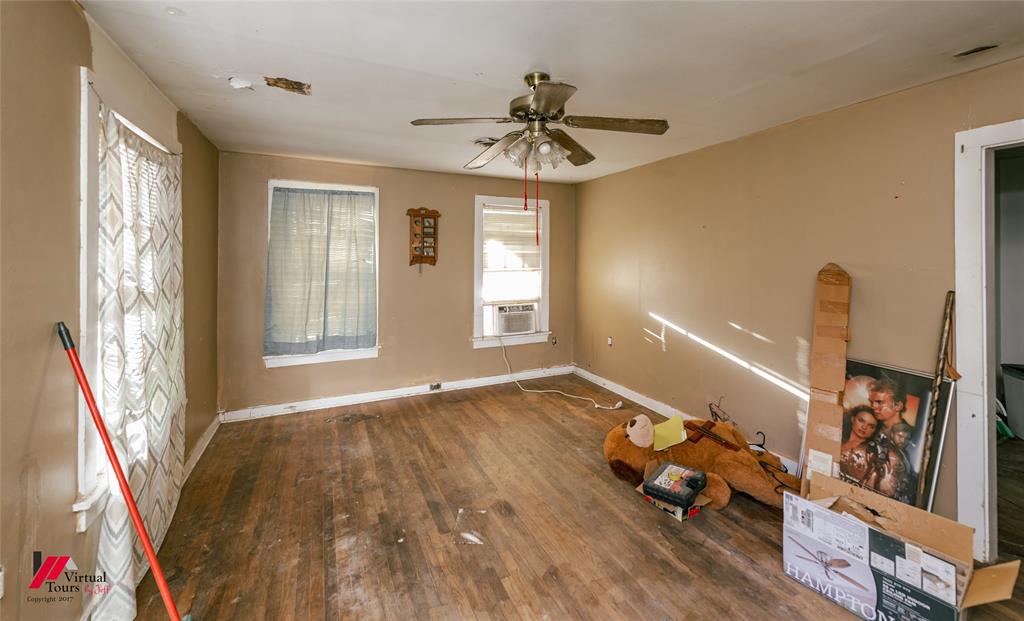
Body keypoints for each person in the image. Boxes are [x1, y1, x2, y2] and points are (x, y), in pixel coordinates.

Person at [840, 405, 878, 484]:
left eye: (871, 426)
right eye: (861, 420)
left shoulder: (870, 454)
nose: (864, 427)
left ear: (874, 431)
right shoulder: (838, 437)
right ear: (852, 419)